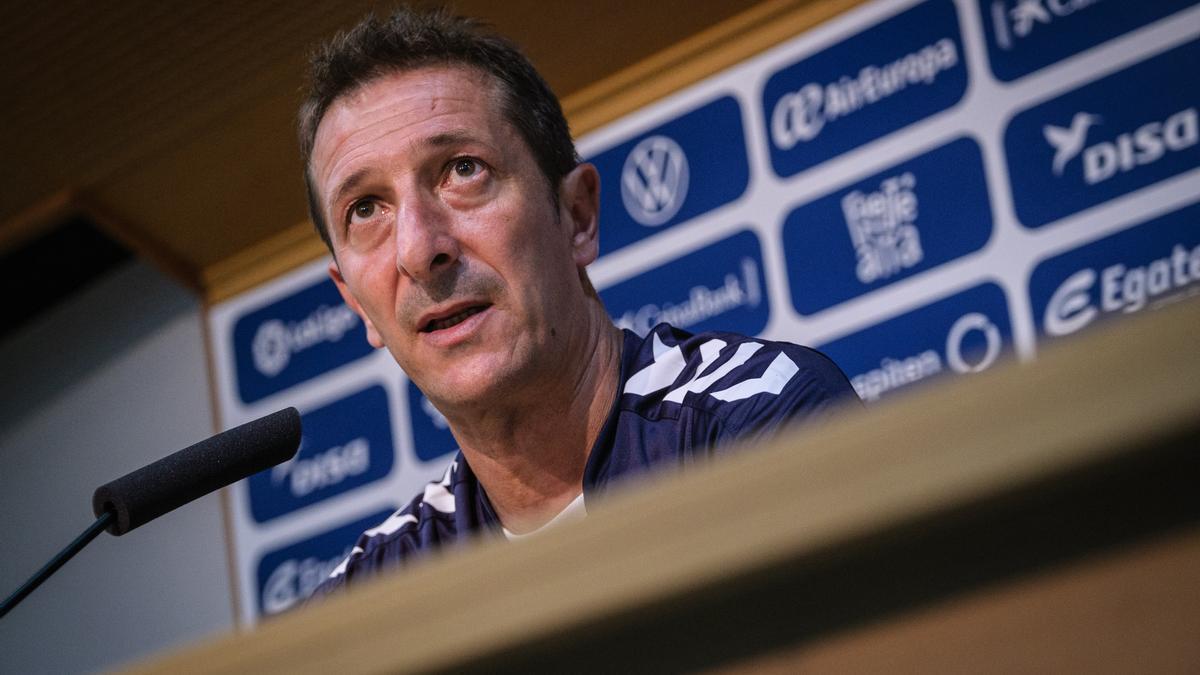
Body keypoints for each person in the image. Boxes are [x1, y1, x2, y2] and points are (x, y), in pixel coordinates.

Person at [300, 7, 860, 600]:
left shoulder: (757, 430)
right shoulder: (374, 594)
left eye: (463, 170)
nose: (418, 250)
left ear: (577, 217)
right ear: (356, 305)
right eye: (365, 208)